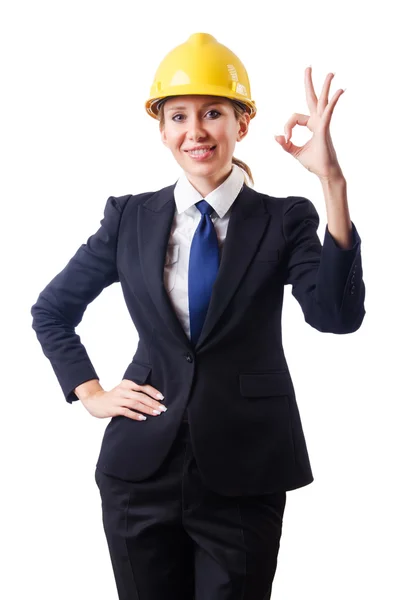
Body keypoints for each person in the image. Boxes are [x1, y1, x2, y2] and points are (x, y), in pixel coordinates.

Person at [31, 32, 366, 600]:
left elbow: (335, 316)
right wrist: (90, 392)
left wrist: (332, 181)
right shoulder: (129, 219)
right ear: (161, 130)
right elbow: (52, 311)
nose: (196, 131)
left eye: (213, 112)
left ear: (242, 124)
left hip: (245, 469)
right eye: (179, 115)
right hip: (139, 469)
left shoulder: (285, 219)